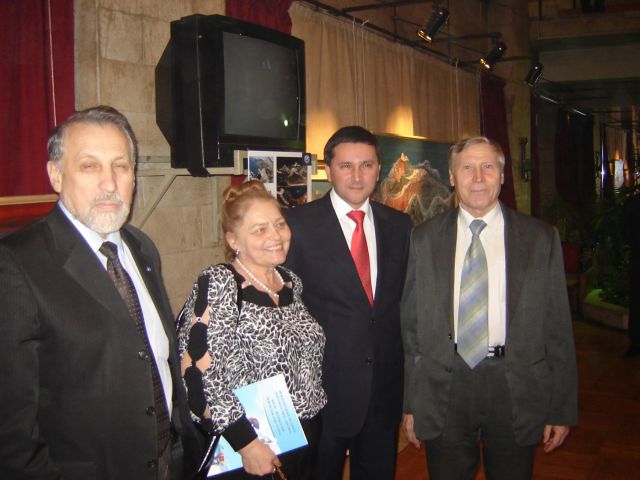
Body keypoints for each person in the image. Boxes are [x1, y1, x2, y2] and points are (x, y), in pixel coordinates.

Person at [0, 106, 201, 479]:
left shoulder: (141, 247)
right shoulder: (16, 264)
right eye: (89, 166)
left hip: (168, 461)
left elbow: (152, 356)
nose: (109, 183)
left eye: (120, 166)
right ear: (56, 175)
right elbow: (11, 429)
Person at [401, 136, 578, 480]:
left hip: (515, 385)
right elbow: (411, 329)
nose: (478, 177)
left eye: (488, 167)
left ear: (502, 175)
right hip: (446, 385)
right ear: (452, 177)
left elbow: (557, 327)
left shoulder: (540, 238)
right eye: (467, 168)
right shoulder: (423, 238)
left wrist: (561, 407)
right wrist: (411, 403)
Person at [284, 126, 412, 480]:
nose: (357, 176)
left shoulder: (399, 226)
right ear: (328, 170)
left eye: (366, 165)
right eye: (346, 166)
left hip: (382, 395)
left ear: (378, 170)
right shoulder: (296, 226)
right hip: (321, 395)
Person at [177, 180, 326, 479]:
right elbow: (197, 374)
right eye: (260, 230)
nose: (276, 236)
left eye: (279, 224)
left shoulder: (290, 282)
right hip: (250, 446)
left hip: (302, 438)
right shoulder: (221, 283)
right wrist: (246, 443)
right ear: (234, 240)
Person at [623, 189, 640, 357]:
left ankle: (635, 343)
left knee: (636, 304)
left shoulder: (632, 204)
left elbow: (626, 234)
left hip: (636, 261)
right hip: (637, 262)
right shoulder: (633, 204)